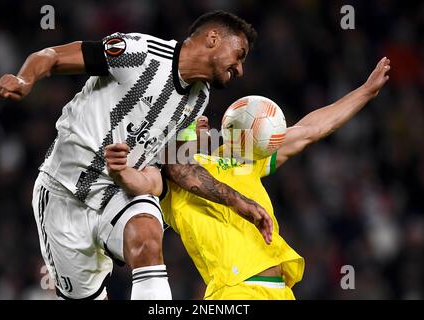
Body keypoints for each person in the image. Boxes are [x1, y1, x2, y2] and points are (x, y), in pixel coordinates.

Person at [0, 11, 273, 300]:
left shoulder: (199, 98)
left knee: (148, 239)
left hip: (122, 190)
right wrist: (24, 79)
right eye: (239, 55)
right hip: (63, 194)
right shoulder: (139, 52)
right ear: (213, 38)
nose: (240, 69)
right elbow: (52, 56)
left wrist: (240, 204)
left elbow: (180, 167)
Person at [107, 57, 391, 299]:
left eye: (201, 115)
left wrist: (365, 92)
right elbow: (141, 183)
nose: (202, 120)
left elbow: (308, 131)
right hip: (236, 291)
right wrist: (121, 170)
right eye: (190, 119)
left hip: (280, 290)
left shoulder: (242, 154)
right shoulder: (173, 173)